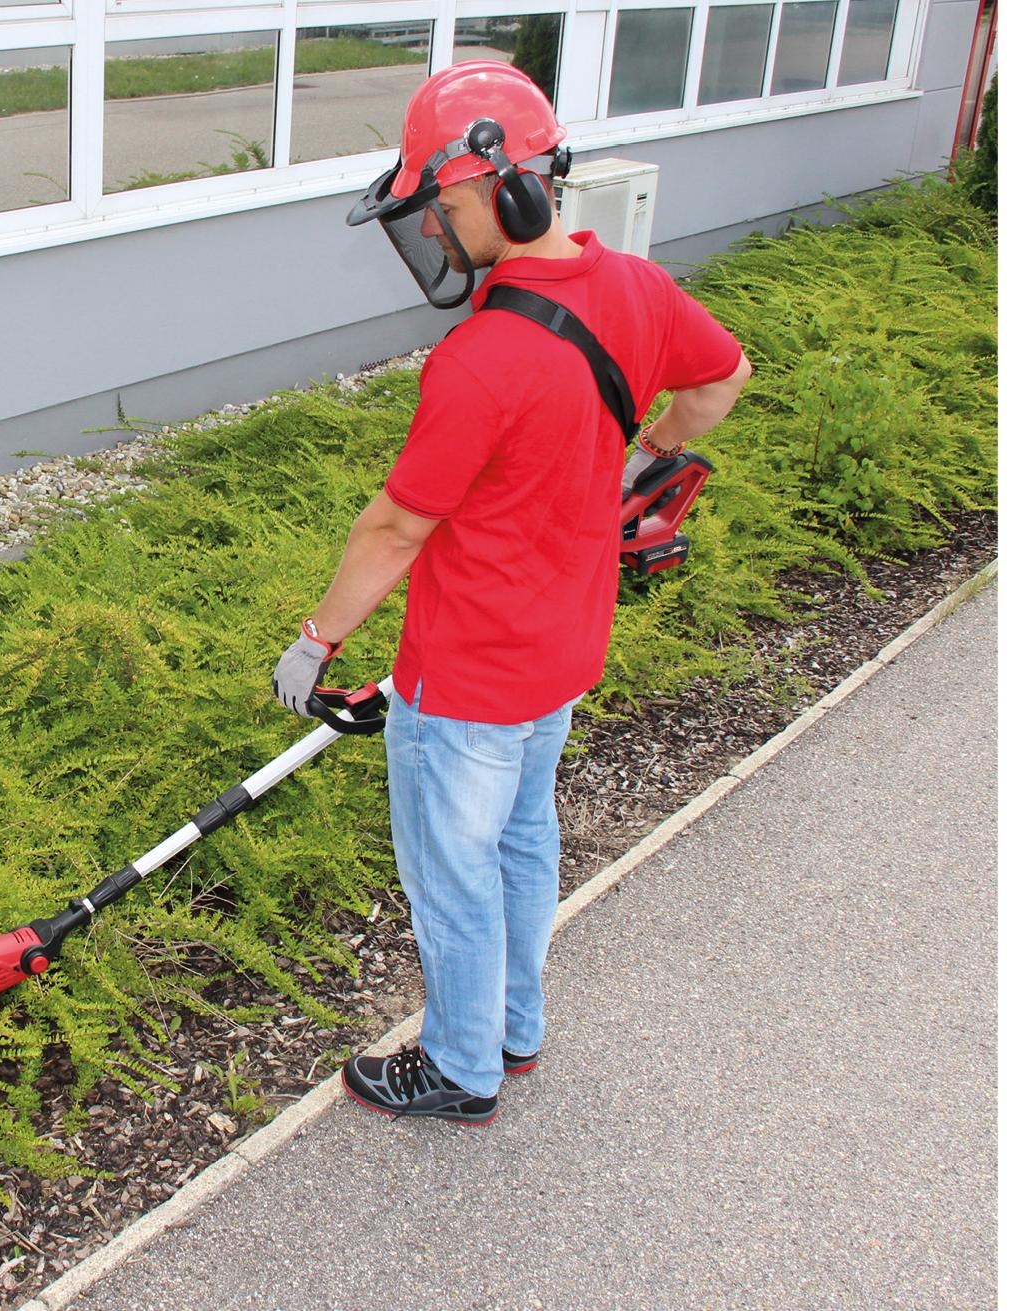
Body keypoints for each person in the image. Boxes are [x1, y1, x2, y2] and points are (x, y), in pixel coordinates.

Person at [271, 61, 753, 1126]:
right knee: (524, 838)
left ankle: (458, 1068)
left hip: (467, 677)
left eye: (439, 207)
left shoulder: (480, 359)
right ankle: (514, 1028)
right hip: (563, 655)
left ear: (507, 190)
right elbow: (723, 377)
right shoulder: (637, 288)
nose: (434, 232)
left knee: (452, 875)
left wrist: (313, 644)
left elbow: (397, 525)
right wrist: (648, 455)